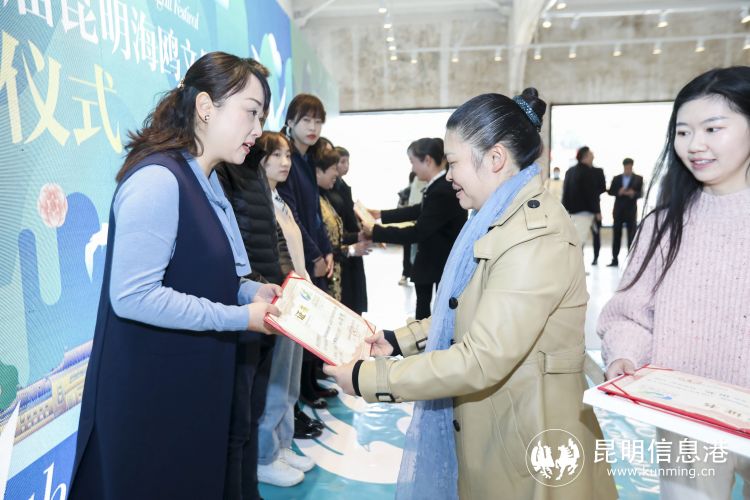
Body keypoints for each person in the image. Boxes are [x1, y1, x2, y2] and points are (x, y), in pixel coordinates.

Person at [325, 89, 616, 499]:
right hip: (501, 420)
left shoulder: (533, 236)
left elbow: (481, 358)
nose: (449, 175)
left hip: (530, 437)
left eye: (454, 162)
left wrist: (368, 378)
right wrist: (397, 341)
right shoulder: (497, 218)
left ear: (495, 158)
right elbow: (464, 308)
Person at [68, 52, 282, 500]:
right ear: (206, 107)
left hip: (190, 384)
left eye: (261, 117)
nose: (257, 130)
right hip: (150, 396)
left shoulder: (208, 181)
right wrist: (239, 318)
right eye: (250, 112)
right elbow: (134, 296)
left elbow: (207, 273)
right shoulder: (158, 180)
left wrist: (250, 292)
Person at [598, 66, 750, 500]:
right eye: (683, 132)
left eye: (713, 128)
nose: (694, 144)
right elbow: (630, 313)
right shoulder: (664, 225)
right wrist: (625, 354)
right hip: (687, 416)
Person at [254, 131, 319, 488]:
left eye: (288, 156)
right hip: (279, 300)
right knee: (276, 382)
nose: (284, 162)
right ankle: (265, 456)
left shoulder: (280, 200)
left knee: (290, 381)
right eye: (276, 155)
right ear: (260, 159)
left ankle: (282, 444)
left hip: (298, 299)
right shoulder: (258, 201)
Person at [361, 138, 467, 320]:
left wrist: (376, 231)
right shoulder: (438, 185)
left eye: (413, 162)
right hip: (434, 259)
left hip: (439, 260)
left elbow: (418, 231)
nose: (412, 168)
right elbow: (419, 210)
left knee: (434, 312)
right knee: (426, 306)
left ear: (427, 160)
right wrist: (380, 214)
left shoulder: (442, 189)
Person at [278, 93, 337, 409]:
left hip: (313, 251)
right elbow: (292, 216)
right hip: (296, 256)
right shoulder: (287, 160)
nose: (313, 127)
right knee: (300, 326)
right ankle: (301, 394)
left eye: (318, 121)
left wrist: (326, 251)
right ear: (290, 121)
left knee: (314, 323)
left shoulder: (306, 159)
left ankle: (310, 383)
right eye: (306, 120)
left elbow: (314, 213)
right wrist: (314, 255)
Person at [325, 146, 370, 314]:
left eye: (347, 162)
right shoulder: (329, 191)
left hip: (350, 243)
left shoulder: (341, 186)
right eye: (341, 162)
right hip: (343, 248)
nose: (345, 166)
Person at [562, 146, 604, 257]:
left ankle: (572, 266)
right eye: (591, 154)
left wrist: (564, 210)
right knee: (579, 243)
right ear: (585, 156)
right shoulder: (588, 172)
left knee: (573, 242)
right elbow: (591, 194)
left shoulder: (570, 171)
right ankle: (575, 267)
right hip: (584, 213)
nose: (593, 156)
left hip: (571, 213)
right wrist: (597, 211)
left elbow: (565, 193)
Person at [606, 157, 643, 266]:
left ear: (632, 167)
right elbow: (610, 191)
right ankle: (614, 259)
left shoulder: (638, 178)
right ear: (623, 167)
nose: (628, 170)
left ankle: (631, 259)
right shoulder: (617, 178)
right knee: (616, 235)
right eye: (626, 168)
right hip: (618, 211)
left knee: (631, 235)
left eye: (629, 168)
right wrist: (619, 192)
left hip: (631, 211)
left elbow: (641, 193)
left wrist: (633, 193)